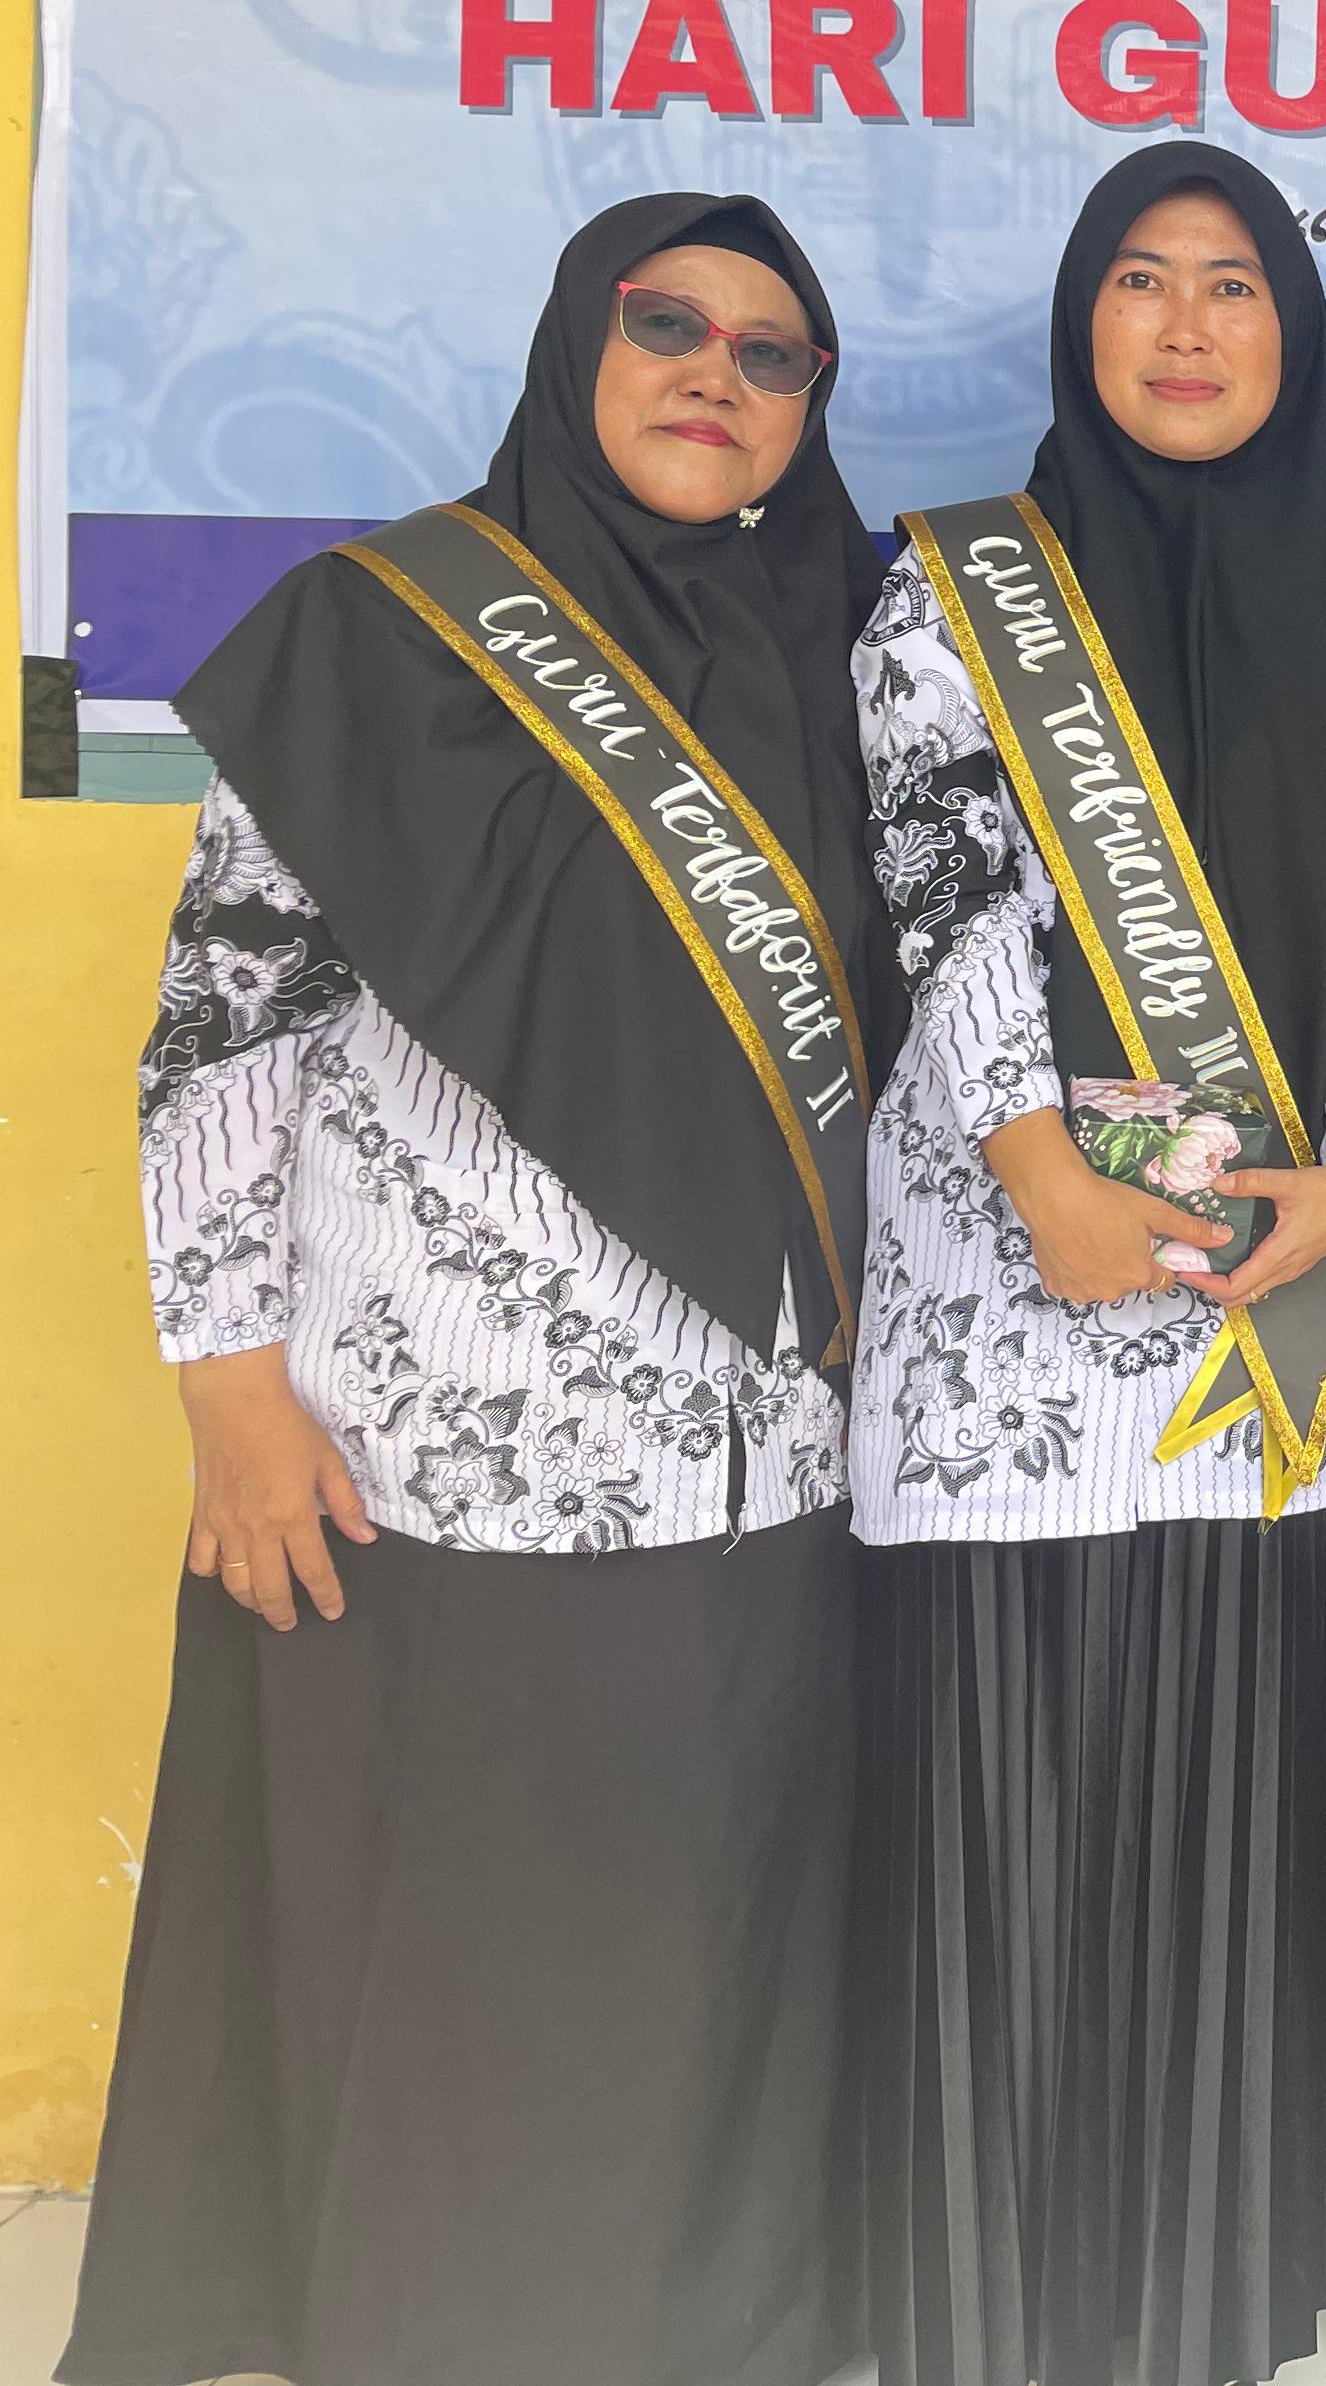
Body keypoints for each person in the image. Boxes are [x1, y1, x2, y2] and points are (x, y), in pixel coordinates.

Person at [66, 195, 894, 2386]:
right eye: (668, 322)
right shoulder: (383, 633)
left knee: (704, 1924)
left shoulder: (855, 654)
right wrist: (229, 1388)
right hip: (426, 1444)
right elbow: (222, 1031)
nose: (717, 375)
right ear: (572, 345)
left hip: (758, 1447)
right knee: (462, 1949)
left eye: (775, 354)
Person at [848, 142, 1326, 2386]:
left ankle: (1209, 2272)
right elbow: (938, 892)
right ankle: (995, 2296)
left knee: (1223, 1770)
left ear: (1295, 339)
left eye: (1233, 286)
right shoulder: (948, 592)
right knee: (1017, 1768)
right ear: (1079, 321)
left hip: (1256, 1301)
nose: (1186, 327)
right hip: (1012, 1292)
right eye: (1140, 279)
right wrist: (1039, 1170)